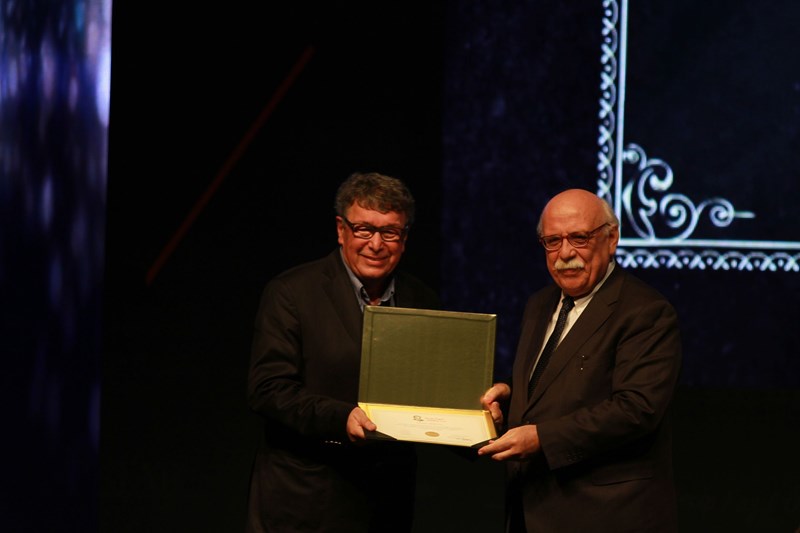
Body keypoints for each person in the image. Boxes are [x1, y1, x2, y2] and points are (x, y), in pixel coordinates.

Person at [246, 172, 440, 533]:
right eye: (364, 229)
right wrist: (341, 416)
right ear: (341, 230)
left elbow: (433, 390)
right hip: (305, 502)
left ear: (404, 238)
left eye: (389, 232)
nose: (376, 244)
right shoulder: (292, 293)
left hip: (387, 504)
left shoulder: (423, 300)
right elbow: (268, 389)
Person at [479, 189, 682, 532]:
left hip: (605, 515)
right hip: (532, 508)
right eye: (553, 241)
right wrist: (510, 394)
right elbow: (556, 381)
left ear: (611, 239)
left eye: (579, 238)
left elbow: (636, 410)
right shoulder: (540, 304)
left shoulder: (646, 311)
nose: (565, 253)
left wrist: (542, 438)